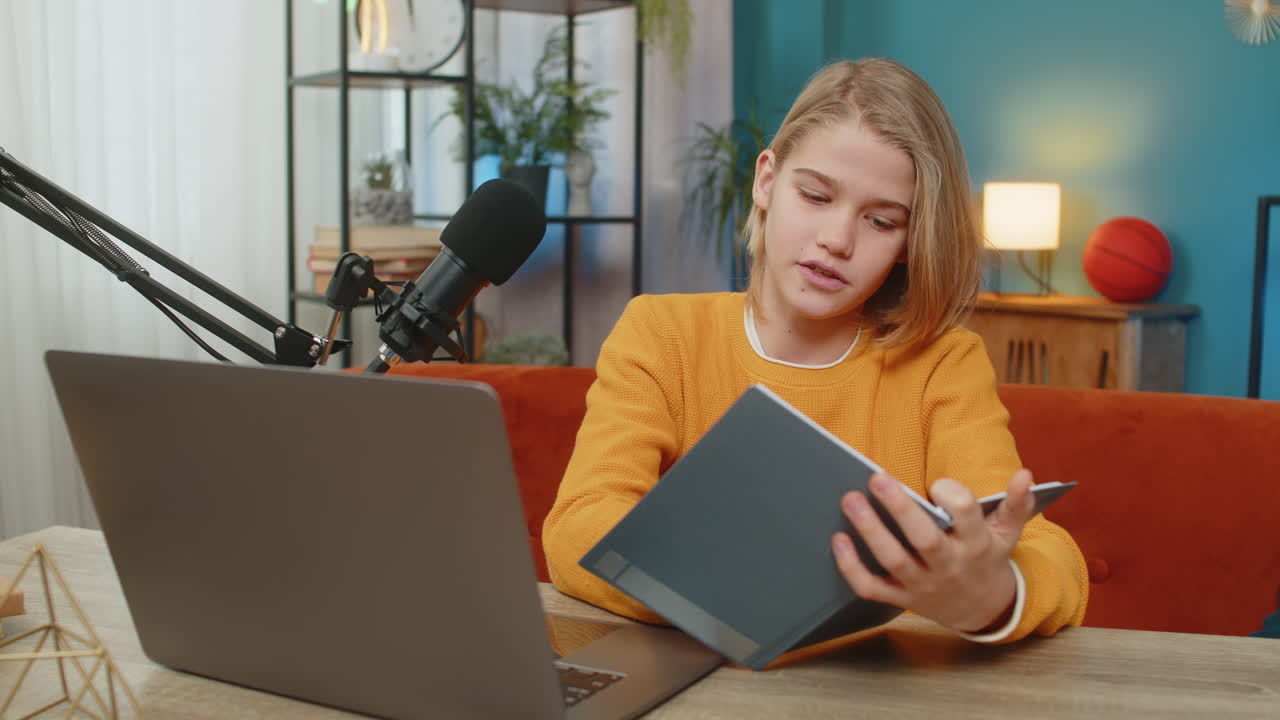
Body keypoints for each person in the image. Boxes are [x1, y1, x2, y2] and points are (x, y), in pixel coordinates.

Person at [542, 58, 1088, 646]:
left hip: (879, 686)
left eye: (881, 221)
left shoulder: (943, 363)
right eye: (815, 195)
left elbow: (1048, 554)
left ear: (911, 241)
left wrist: (993, 598)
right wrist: (739, 592)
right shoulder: (662, 332)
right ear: (767, 181)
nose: (837, 240)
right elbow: (580, 527)